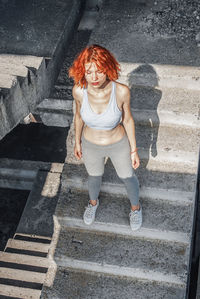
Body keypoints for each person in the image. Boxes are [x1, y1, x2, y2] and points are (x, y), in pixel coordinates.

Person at [69, 44, 142, 231]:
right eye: (88, 71)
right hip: (91, 144)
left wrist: (134, 150)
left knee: (127, 176)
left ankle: (136, 208)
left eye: (99, 71)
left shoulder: (121, 91)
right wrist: (77, 141)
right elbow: (78, 117)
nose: (93, 77)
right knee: (94, 176)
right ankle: (93, 204)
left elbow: (127, 120)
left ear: (108, 69)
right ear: (82, 71)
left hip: (117, 143)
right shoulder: (78, 91)